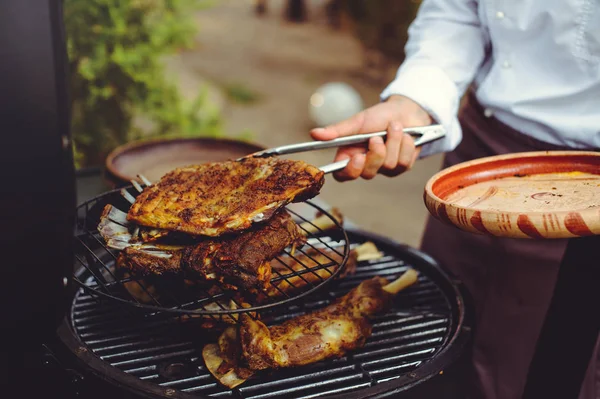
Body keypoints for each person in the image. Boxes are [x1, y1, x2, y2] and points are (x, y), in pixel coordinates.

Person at [310, 1, 600, 398]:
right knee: (426, 343)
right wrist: (413, 104)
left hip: (587, 191)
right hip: (476, 169)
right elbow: (458, 10)